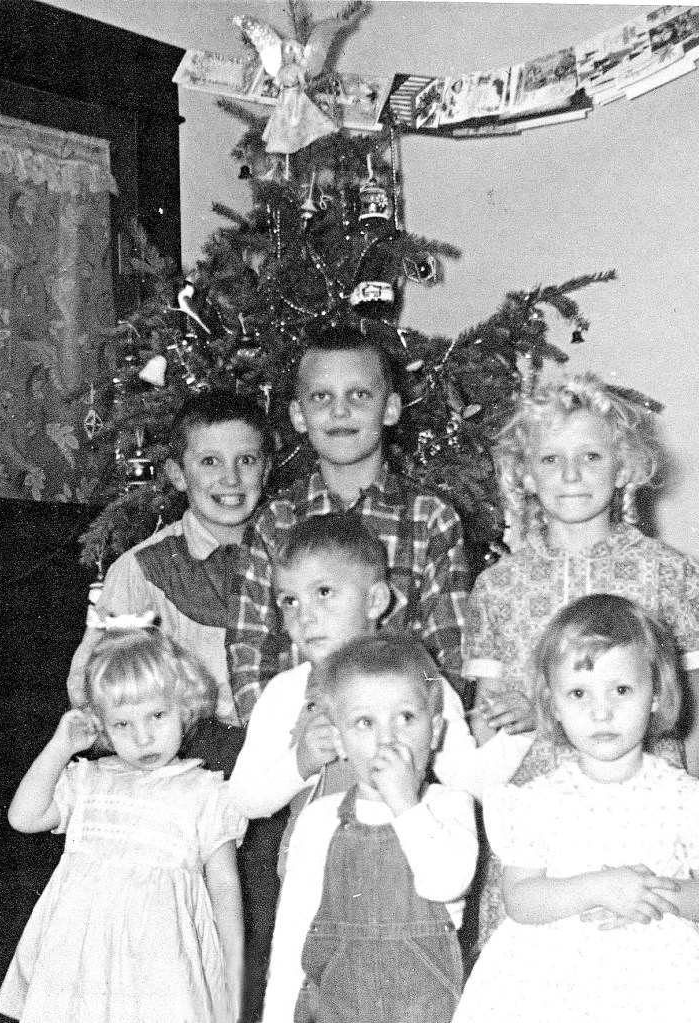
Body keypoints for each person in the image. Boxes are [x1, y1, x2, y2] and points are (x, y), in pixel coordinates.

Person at [464, 372, 699, 945]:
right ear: (525, 475)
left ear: (624, 467)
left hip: (648, 816)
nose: (572, 474)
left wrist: (688, 825)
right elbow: (488, 729)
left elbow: (694, 711)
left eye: (590, 455)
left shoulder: (671, 573)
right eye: (551, 459)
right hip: (542, 841)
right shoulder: (498, 586)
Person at [454, 594, 699, 1023]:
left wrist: (662, 895)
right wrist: (599, 888)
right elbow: (520, 898)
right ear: (553, 705)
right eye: (578, 693)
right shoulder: (535, 801)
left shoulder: (687, 798)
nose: (601, 710)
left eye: (621, 689)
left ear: (655, 694)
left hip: (671, 981)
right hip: (555, 984)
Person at [64, 389, 274, 1020]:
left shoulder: (291, 554)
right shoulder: (142, 570)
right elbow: (99, 683)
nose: (230, 479)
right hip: (187, 766)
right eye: (209, 463)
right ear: (179, 474)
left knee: (268, 913)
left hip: (277, 759)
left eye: (246, 460)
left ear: (267, 466)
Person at [228, 514, 523, 873]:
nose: (305, 616)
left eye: (323, 592)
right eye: (289, 601)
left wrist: (520, 734)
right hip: (311, 883)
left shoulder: (423, 683)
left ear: (375, 600)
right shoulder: (285, 692)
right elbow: (244, 799)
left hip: (404, 879)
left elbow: (471, 783)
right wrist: (300, 761)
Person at [0, 627, 247, 1023]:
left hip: (162, 968)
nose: (143, 737)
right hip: (81, 969)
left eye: (157, 716)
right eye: (122, 725)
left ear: (185, 706)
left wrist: (232, 976)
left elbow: (225, 887)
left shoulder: (206, 791)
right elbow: (23, 817)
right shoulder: (89, 781)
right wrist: (61, 746)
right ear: (101, 727)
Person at [227, 324, 470, 719]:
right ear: (299, 416)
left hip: (399, 738)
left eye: (358, 395)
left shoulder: (430, 517)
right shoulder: (274, 522)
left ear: (390, 409)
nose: (340, 411)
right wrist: (292, 737)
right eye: (322, 397)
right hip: (299, 742)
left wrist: (416, 723)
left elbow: (448, 657)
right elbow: (249, 654)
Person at [262, 634, 478, 1023]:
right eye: (365, 722)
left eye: (406, 717)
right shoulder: (319, 820)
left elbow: (447, 882)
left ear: (436, 731)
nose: (387, 738)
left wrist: (405, 805)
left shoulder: (449, 806)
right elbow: (293, 934)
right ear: (339, 741)